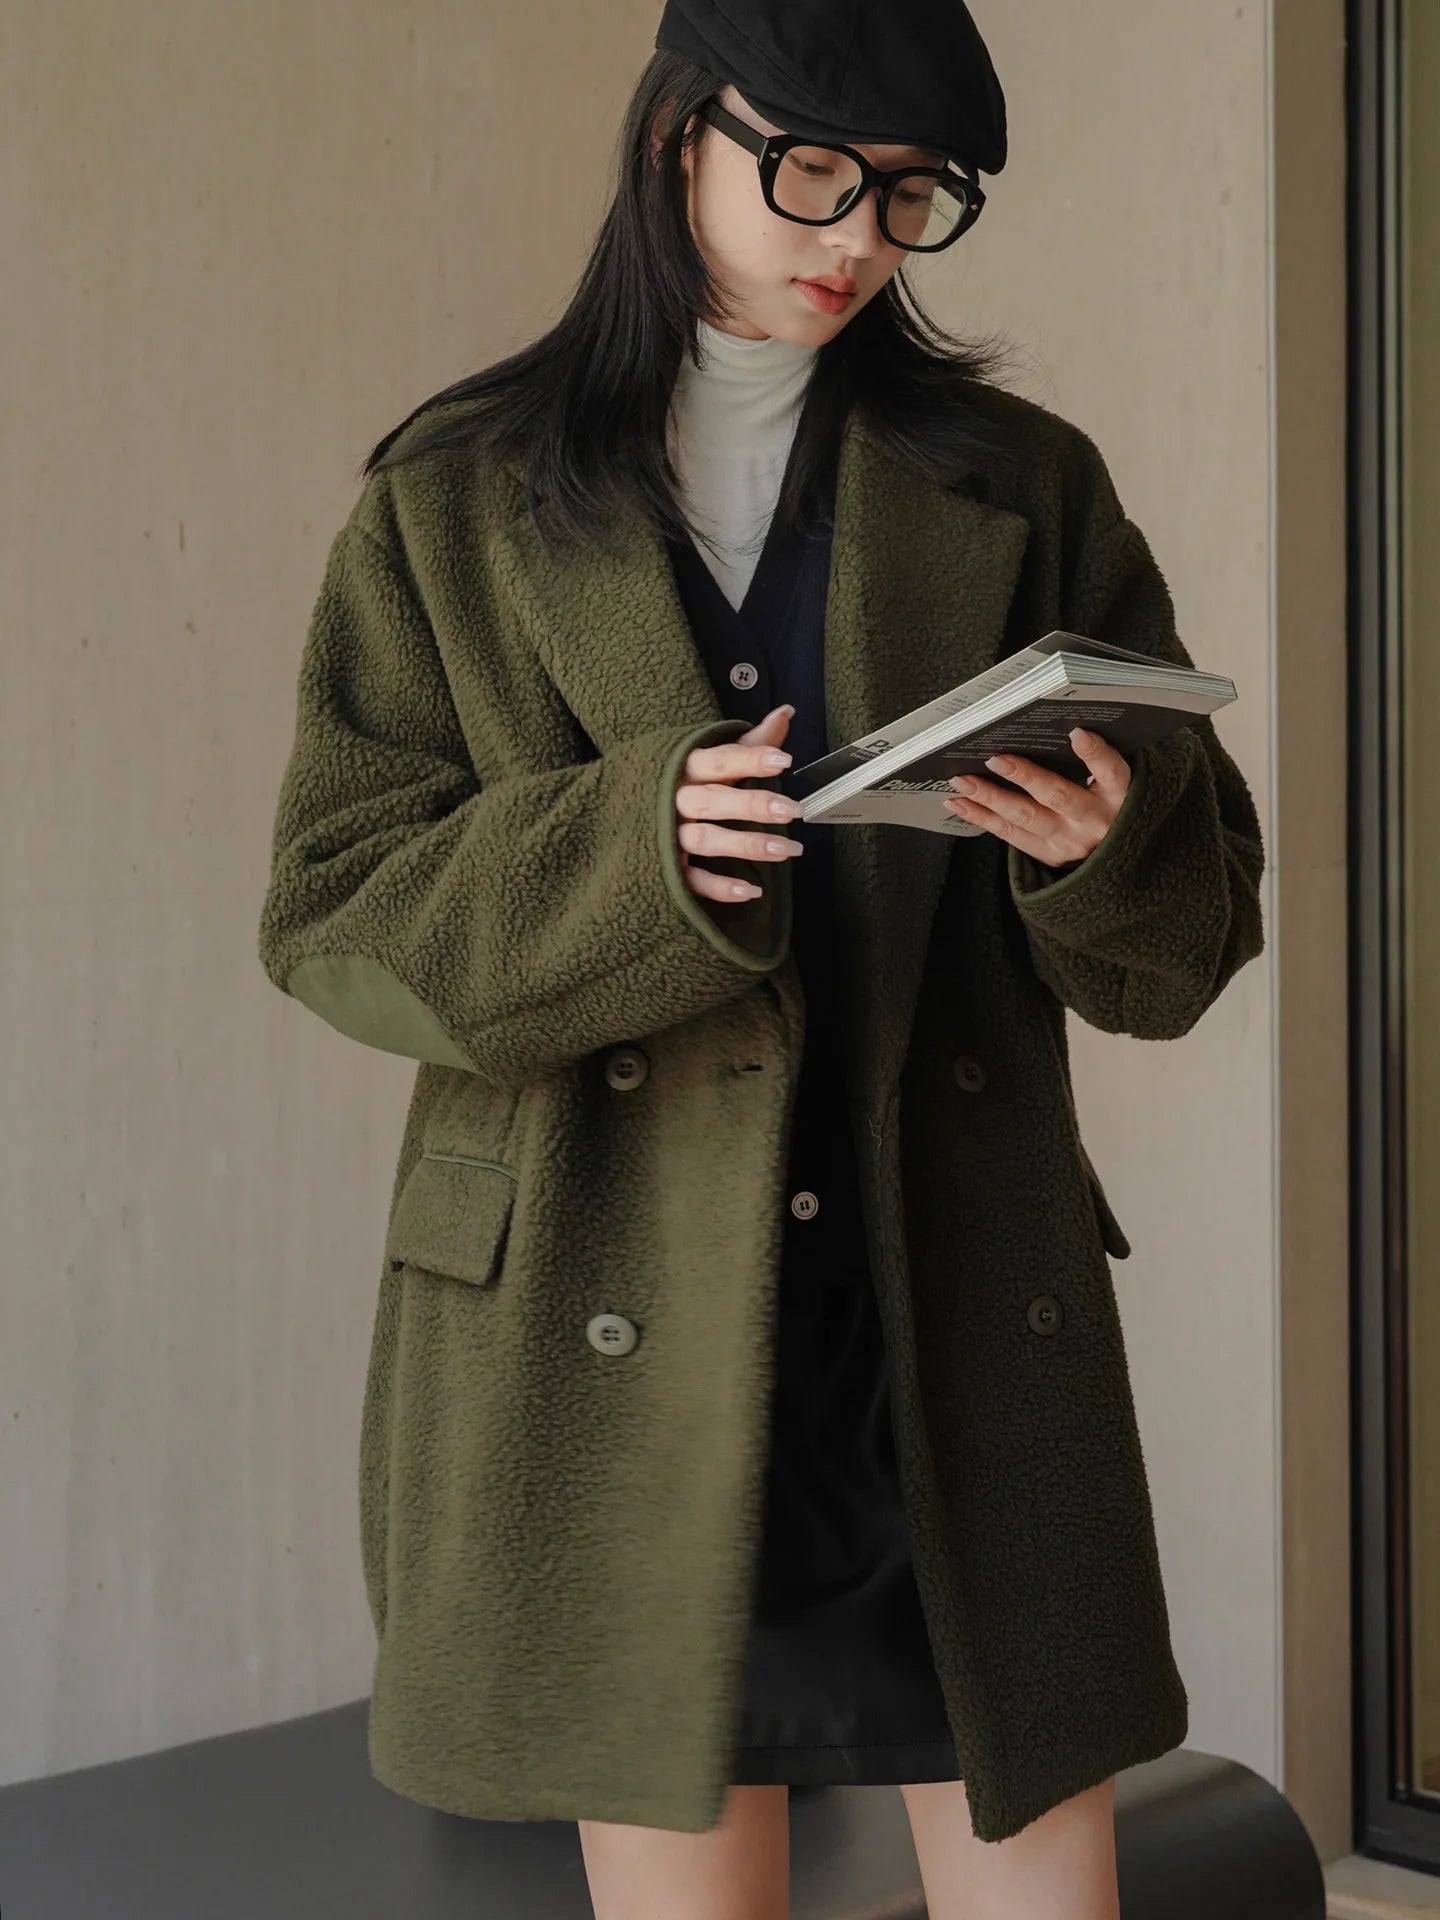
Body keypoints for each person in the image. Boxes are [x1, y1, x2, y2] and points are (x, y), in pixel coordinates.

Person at [256, 4, 1266, 1916]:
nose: (859, 236)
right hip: (604, 1322)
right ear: (674, 142)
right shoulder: (454, 498)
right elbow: (333, 909)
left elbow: (1192, 937)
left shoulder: (1023, 486)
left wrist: (1103, 851)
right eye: (812, 171)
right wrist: (634, 853)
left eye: (910, 195)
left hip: (941, 1315)